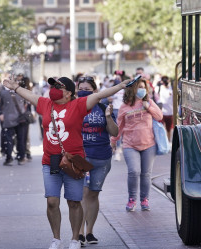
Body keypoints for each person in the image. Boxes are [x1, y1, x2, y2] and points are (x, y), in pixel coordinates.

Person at [3, 75, 129, 249]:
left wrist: (120, 86)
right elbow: (29, 95)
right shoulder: (46, 104)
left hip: (73, 163)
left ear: (69, 93)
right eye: (53, 86)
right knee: (52, 201)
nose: (54, 89)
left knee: (74, 202)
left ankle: (75, 239)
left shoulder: (78, 105)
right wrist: (15, 87)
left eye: (58, 87)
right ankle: (56, 239)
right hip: (50, 161)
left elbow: (100, 95)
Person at [76, 76, 118, 247]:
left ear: (94, 90)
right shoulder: (74, 107)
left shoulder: (102, 107)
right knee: (84, 194)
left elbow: (114, 132)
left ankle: (89, 232)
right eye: (81, 88)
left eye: (87, 88)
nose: (84, 91)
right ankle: (78, 233)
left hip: (102, 157)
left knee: (94, 194)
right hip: (81, 157)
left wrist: (108, 117)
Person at [111, 78, 163, 212]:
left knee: (146, 174)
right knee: (134, 171)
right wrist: (113, 141)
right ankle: (132, 199)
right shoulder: (124, 107)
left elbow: (159, 116)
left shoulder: (149, 102)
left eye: (143, 87)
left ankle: (144, 200)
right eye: (139, 87)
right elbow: (119, 127)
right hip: (130, 145)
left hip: (149, 144)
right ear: (132, 89)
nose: (142, 90)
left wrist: (149, 107)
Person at [157, 76, 173, 142]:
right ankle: (164, 142)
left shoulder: (172, 88)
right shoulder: (159, 89)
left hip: (170, 112)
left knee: (169, 129)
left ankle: (169, 142)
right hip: (162, 112)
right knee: (162, 129)